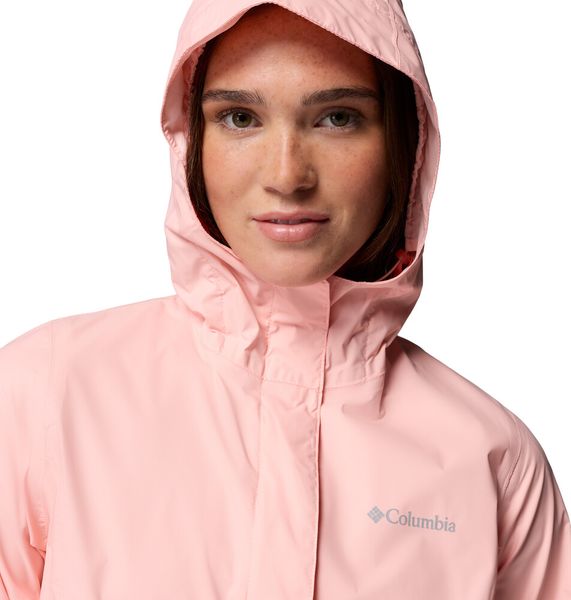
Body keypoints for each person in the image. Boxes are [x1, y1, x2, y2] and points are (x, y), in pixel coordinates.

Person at [1, 0, 569, 598]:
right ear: (191, 141)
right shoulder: (46, 396)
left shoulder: (490, 461)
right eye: (240, 117)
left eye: (338, 118)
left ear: (405, 143)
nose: (287, 175)